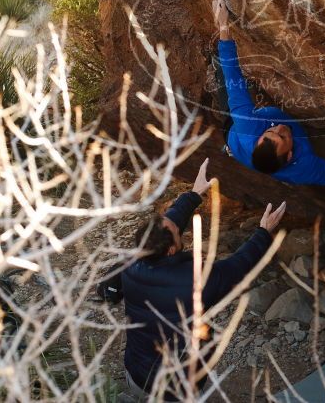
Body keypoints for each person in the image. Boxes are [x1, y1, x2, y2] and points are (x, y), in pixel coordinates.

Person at [121, 158, 286, 400]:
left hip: (136, 372)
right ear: (169, 250)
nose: (179, 228)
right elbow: (237, 267)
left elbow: (169, 225)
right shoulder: (195, 281)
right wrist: (263, 232)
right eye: (178, 233)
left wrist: (194, 195)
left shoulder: (131, 265)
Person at [211, 0, 325, 186]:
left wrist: (222, 26)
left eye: (270, 131)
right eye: (282, 136)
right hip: (246, 144)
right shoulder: (303, 167)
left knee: (227, 83)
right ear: (290, 155)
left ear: (260, 138)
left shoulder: (249, 129)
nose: (279, 127)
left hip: (237, 134)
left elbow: (233, 80)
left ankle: (231, 148)